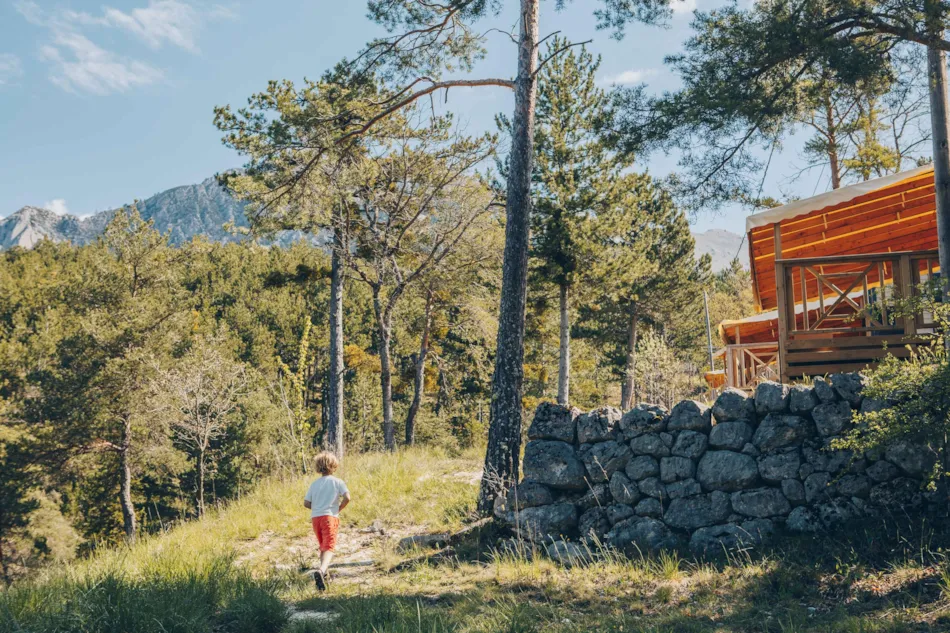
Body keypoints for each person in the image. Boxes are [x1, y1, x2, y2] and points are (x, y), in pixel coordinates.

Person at [304, 452, 350, 591]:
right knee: (329, 546)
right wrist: (338, 508)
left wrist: (318, 506)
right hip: (330, 517)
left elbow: (306, 503)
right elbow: (348, 497)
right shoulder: (337, 482)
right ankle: (322, 570)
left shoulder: (314, 484)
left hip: (316, 518)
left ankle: (324, 577)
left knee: (323, 546)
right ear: (334, 466)